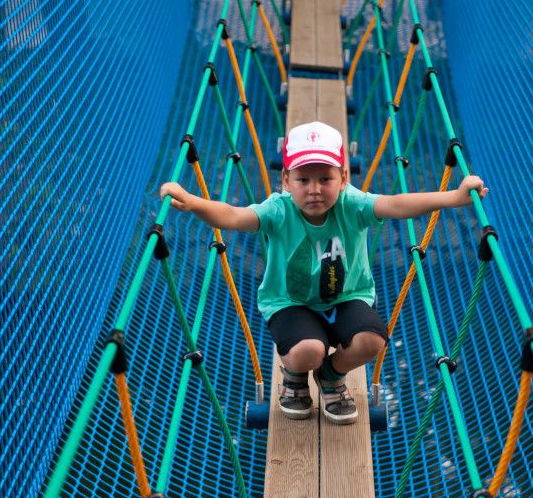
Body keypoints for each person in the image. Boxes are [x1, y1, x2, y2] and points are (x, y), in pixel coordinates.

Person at [160, 120, 487, 424]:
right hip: (291, 302)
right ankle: (295, 377)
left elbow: (398, 204)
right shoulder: (278, 209)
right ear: (286, 180)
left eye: (325, 179)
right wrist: (194, 203)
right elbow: (233, 216)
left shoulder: (353, 204)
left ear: (344, 178)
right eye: (303, 179)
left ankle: (331, 375)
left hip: (345, 297)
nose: (314, 189)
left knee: (373, 340)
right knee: (307, 352)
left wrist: (455, 198)